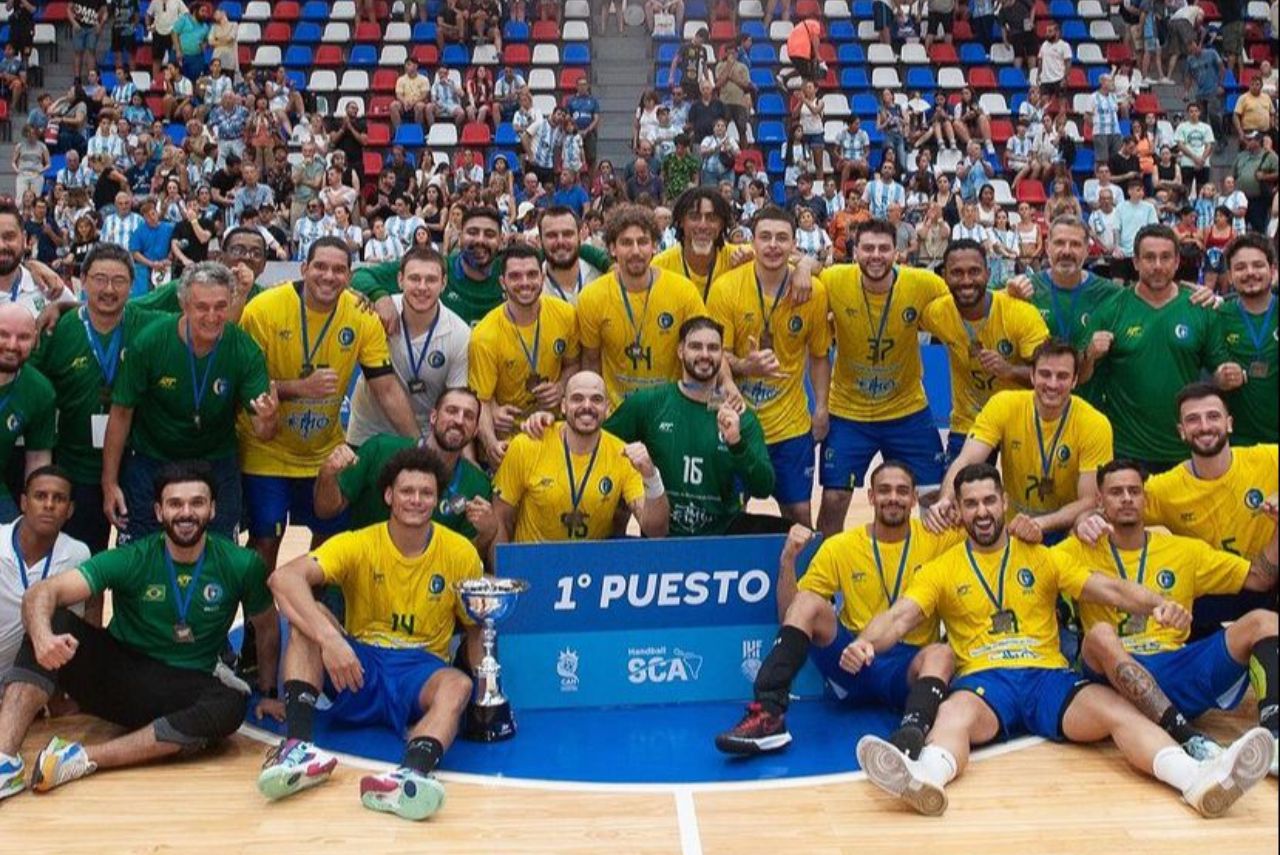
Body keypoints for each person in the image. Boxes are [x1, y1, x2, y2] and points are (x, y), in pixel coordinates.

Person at [848, 463, 1274, 818]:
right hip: (986, 680)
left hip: (1047, 677)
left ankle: (1196, 780)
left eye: (989, 501)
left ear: (1004, 503)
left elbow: (1110, 589)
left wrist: (1157, 604)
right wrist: (868, 642)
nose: (982, 511)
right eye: (971, 503)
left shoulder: (1044, 556)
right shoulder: (941, 569)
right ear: (958, 509)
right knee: (954, 714)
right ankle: (925, 779)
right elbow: (901, 615)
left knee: (1116, 710)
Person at [0, 462, 280, 798]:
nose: (186, 513)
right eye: (175, 504)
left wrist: (269, 693)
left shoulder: (241, 564)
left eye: (197, 503)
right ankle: (5, 761)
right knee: (51, 619)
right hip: (119, 675)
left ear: (213, 509)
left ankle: (80, 759)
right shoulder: (132, 558)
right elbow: (41, 593)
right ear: (159, 511)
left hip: (181, 686)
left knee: (232, 704)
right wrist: (44, 637)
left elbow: (266, 627)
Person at [256, 449, 483, 821]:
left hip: (420, 669)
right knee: (307, 621)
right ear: (389, 496)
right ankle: (299, 749)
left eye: (426, 493)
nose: (416, 500)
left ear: (438, 499)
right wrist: (331, 640)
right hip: (360, 664)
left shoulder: (460, 552)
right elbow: (283, 579)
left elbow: (475, 626)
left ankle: (410, 776)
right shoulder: (359, 542)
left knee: (457, 685)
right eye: (407, 491)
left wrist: (483, 698)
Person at [716, 462, 963, 755]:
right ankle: (768, 714)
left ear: (913, 500)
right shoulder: (841, 547)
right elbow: (789, 615)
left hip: (907, 667)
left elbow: (990, 540)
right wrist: (788, 561)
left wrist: (961, 514)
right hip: (852, 662)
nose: (893, 498)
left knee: (942, 654)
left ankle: (911, 734)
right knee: (808, 602)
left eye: (901, 491)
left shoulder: (941, 539)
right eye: (884, 491)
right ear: (870, 497)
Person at [1058, 459, 1278, 771]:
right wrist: (1074, 523)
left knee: (1264, 621)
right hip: (1114, 677)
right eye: (1116, 492)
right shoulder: (1075, 550)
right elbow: (1031, 564)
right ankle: (1188, 738)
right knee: (1099, 635)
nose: (1126, 499)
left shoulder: (1184, 551)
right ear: (1099, 501)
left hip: (1174, 666)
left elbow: (1259, 577)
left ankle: (1275, 737)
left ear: (1145, 498)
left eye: (1134, 491)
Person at [236, 238, 416, 581]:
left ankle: (314, 607)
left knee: (331, 538)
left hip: (322, 452)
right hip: (266, 449)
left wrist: (417, 444)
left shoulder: (360, 316)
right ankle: (259, 630)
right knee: (264, 541)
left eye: (339, 269)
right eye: (320, 267)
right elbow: (247, 386)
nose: (328, 276)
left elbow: (386, 387)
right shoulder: (263, 309)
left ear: (350, 276)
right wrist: (301, 388)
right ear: (303, 268)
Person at [1075, 383, 1278, 641]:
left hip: (1267, 580)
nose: (1204, 426)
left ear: (1229, 423)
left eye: (1213, 416)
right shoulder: (1164, 488)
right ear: (1182, 432)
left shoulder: (1269, 459)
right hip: (1209, 595)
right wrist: (1085, 522)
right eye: (1193, 419)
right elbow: (1103, 508)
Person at [102, 262, 276, 543]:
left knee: (220, 558)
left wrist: (269, 420)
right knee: (138, 557)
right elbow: (121, 413)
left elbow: (263, 431)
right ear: (184, 304)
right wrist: (109, 483)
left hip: (215, 462)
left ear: (231, 302)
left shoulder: (245, 350)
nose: (212, 316)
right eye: (202, 307)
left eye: (220, 306)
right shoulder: (150, 342)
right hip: (152, 460)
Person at [814, 220, 950, 537]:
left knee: (934, 496)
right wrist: (807, 262)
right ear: (855, 252)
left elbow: (962, 309)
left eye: (884, 248)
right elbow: (799, 269)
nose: (876, 256)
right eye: (868, 248)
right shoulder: (834, 279)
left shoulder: (923, 284)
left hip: (907, 411)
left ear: (897, 252)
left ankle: (936, 575)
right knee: (834, 499)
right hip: (848, 412)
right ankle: (825, 574)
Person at [31, 245, 165, 553]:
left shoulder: (149, 323)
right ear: (82, 280)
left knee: (139, 565)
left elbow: (201, 299)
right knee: (83, 566)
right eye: (99, 279)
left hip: (137, 467)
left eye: (119, 281)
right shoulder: (58, 329)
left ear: (132, 284)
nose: (108, 289)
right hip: (76, 470)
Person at [707, 207, 831, 525]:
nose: (773, 245)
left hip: (790, 427)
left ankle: (802, 575)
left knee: (800, 514)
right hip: (738, 422)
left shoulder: (814, 292)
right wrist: (741, 372)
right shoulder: (726, 288)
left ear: (793, 245)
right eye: (765, 237)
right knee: (729, 515)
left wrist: (821, 408)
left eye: (781, 238)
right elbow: (716, 353)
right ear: (753, 243)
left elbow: (819, 356)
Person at [600, 317, 778, 536]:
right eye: (695, 346)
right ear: (680, 351)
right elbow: (599, 445)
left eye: (713, 348)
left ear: (722, 356)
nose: (704, 354)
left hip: (721, 540)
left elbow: (764, 488)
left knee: (793, 532)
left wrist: (736, 443)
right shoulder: (649, 404)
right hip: (664, 539)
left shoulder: (740, 417)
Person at [930, 340, 1113, 546]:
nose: (1052, 384)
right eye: (1045, 374)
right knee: (952, 519)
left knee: (1090, 520)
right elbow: (966, 460)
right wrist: (946, 498)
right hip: (1013, 525)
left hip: (1065, 526)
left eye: (1062, 376)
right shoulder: (1004, 404)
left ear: (1074, 380)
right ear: (1032, 376)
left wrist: (1039, 524)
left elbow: (1088, 501)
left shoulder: (1095, 423)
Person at [1081, 225, 1216, 473]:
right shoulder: (1112, 309)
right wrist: (1089, 354)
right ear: (1135, 262)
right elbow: (1081, 377)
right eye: (1149, 257)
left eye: (1165, 257)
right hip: (1127, 450)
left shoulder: (1199, 307)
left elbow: (1219, 375)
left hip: (1186, 448)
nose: (1157, 265)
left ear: (1177, 262)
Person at [315, 388, 496, 556]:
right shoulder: (380, 449)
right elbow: (325, 511)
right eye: (451, 410)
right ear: (433, 417)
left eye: (469, 416)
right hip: (360, 575)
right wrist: (327, 474)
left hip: (426, 586)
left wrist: (487, 534)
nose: (459, 420)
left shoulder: (477, 484)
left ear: (475, 432)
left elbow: (462, 560)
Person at [493, 370, 667, 542]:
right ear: (563, 406)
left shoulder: (622, 455)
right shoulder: (528, 444)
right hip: (533, 566)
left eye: (596, 399)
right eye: (577, 398)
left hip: (590, 568)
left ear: (607, 408)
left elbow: (655, 531)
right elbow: (500, 518)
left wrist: (651, 476)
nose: (587, 406)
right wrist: (501, 569)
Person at [919, 240, 1048, 464]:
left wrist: (1008, 370)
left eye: (974, 272)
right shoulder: (937, 313)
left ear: (988, 274)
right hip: (969, 423)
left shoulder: (1020, 312)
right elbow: (900, 316)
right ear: (945, 277)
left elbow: (1049, 377)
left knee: (1029, 497)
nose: (966, 280)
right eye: (957, 273)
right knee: (958, 489)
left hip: (1019, 420)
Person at [577, 204, 706, 407]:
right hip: (617, 412)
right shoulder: (592, 297)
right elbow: (591, 360)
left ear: (655, 246)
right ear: (612, 248)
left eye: (643, 242)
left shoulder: (683, 291)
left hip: (668, 409)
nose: (635, 251)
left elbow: (701, 352)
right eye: (626, 243)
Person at [345, 248, 470, 449]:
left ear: (444, 283)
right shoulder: (375, 312)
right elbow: (349, 284)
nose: (422, 287)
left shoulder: (459, 333)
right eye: (414, 279)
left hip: (425, 434)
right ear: (400, 280)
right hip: (367, 431)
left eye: (431, 280)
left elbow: (455, 400)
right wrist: (378, 297)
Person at [469, 245, 579, 466]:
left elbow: (573, 364)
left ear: (543, 276)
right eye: (515, 276)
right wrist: (492, 444)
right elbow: (480, 400)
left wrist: (560, 387)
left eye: (531, 274)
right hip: (510, 437)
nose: (525, 282)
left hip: (554, 430)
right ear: (503, 282)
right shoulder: (485, 335)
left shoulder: (565, 314)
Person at [0, 467, 93, 676]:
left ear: (70, 510)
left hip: (31, 682)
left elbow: (80, 620)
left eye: (59, 499)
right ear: (24, 503)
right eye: (40, 496)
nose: (49, 505)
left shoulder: (78, 554)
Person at [1209, 235, 1277, 447]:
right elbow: (1212, 373)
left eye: (1258, 265)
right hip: (1239, 443)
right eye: (1240, 268)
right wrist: (1221, 378)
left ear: (1272, 270)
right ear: (1229, 275)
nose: (1250, 273)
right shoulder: (1218, 316)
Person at [0, 303, 56, 524]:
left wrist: (35, 511)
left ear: (35, 340)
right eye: (3, 334)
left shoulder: (39, 391)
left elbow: (38, 458)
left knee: (14, 547)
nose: (12, 345)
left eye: (23, 337)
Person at [539, 206, 605, 305]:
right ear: (540, 240)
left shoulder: (600, 275)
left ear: (579, 236)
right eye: (552, 235)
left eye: (568, 234)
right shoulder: (533, 286)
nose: (560, 241)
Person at [1232, 131, 1279, 235]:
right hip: (1240, 199)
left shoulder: (1269, 156)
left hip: (1258, 199)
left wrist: (1265, 176)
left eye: (1250, 140)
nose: (1246, 141)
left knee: (1258, 228)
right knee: (1239, 229)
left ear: (1258, 141)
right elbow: (1233, 174)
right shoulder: (1241, 156)